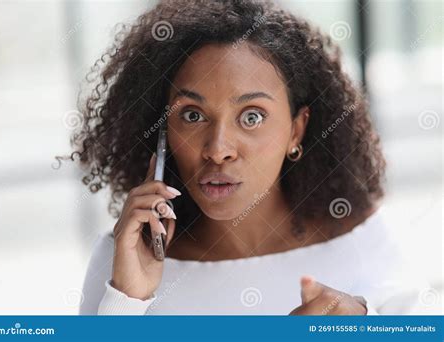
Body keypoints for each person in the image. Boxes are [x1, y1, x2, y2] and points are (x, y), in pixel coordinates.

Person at [66, 0, 429, 315]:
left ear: (296, 131)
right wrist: (127, 301)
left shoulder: (366, 241)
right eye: (192, 115)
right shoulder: (121, 260)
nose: (218, 149)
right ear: (161, 131)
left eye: (252, 116)